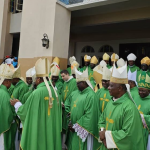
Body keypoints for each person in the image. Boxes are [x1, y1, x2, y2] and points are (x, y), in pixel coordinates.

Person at [10, 58, 62, 150]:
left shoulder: (37, 93)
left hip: (39, 130)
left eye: (35, 79)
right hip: (51, 129)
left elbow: (26, 112)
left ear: (38, 79)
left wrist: (17, 104)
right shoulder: (55, 93)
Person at [98, 63, 146, 150]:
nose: (108, 88)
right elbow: (102, 119)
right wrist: (102, 130)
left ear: (120, 88)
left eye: (111, 86)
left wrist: (106, 135)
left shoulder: (129, 107)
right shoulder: (110, 103)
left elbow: (129, 134)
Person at [65, 68, 100, 150]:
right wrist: (71, 119)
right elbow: (72, 107)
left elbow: (90, 115)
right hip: (73, 127)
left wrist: (77, 127)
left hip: (84, 129)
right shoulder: (76, 93)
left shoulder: (91, 95)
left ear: (85, 82)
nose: (77, 85)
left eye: (79, 83)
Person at [61, 70, 78, 149]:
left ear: (68, 74)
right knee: (64, 128)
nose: (62, 78)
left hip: (70, 107)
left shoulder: (74, 82)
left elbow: (74, 95)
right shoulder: (65, 83)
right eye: (61, 76)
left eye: (63, 76)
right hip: (64, 107)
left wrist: (67, 105)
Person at [0, 64, 16, 150]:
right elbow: (8, 114)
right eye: (10, 81)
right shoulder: (5, 94)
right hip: (2, 127)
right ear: (7, 82)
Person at [135, 67, 150, 148]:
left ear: (149, 91)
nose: (140, 92)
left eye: (143, 91)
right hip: (135, 131)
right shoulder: (136, 98)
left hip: (146, 133)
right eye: (139, 90)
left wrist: (143, 118)